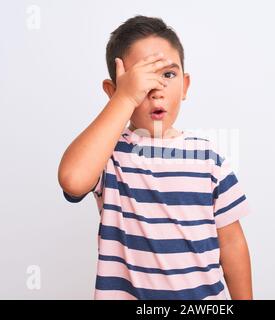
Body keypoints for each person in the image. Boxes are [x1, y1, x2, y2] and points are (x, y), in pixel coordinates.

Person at [58, 15, 252, 300]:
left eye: (168, 75)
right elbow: (73, 180)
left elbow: (232, 244)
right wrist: (124, 100)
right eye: (140, 79)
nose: (156, 89)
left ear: (185, 86)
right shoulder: (108, 154)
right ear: (114, 91)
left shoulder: (208, 158)